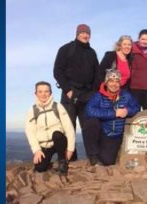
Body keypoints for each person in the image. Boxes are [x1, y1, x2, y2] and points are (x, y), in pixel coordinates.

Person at [53, 24, 102, 162]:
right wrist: (68, 90)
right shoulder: (66, 49)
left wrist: (94, 92)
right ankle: (70, 158)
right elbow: (58, 71)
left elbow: (97, 74)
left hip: (88, 93)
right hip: (70, 92)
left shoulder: (92, 52)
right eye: (83, 32)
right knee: (68, 126)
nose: (85, 35)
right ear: (77, 33)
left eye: (87, 33)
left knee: (90, 125)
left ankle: (92, 156)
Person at [85, 69, 141, 166]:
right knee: (91, 122)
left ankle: (104, 153)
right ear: (106, 82)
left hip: (117, 135)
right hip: (104, 132)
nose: (114, 84)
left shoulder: (126, 95)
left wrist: (127, 111)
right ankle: (93, 155)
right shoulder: (98, 96)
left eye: (117, 81)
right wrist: (114, 113)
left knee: (108, 161)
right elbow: (89, 111)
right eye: (111, 81)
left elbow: (136, 108)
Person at [25, 81, 75, 175]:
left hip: (59, 142)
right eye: (40, 92)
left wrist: (70, 149)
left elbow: (69, 128)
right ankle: (51, 161)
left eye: (46, 91)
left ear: (50, 93)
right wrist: (36, 150)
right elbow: (30, 132)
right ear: (35, 93)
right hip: (44, 145)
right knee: (40, 168)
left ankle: (62, 161)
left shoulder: (58, 106)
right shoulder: (32, 110)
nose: (43, 94)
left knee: (57, 134)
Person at [129, 29, 147, 110]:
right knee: (134, 115)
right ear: (139, 38)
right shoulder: (131, 50)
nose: (145, 41)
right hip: (134, 88)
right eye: (143, 39)